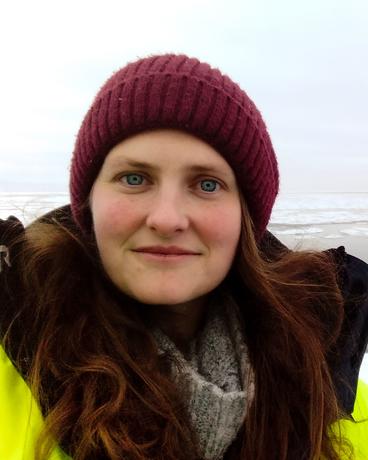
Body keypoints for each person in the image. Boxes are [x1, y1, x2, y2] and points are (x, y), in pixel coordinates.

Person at [0, 54, 367, 460]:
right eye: (134, 178)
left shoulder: (332, 394)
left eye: (207, 184)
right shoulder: (13, 366)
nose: (167, 218)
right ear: (89, 203)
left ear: (244, 218)